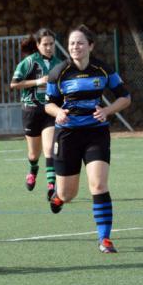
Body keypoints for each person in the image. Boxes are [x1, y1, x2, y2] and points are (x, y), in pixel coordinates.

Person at [45, 25, 131, 253]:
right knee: (68, 194)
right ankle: (58, 197)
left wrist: (108, 110)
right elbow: (48, 104)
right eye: (72, 43)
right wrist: (59, 112)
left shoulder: (103, 70)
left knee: (99, 184)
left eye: (80, 42)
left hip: (96, 133)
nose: (75, 47)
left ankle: (104, 239)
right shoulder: (59, 72)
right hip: (67, 135)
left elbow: (125, 97)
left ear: (90, 46)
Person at [10, 28, 61, 200]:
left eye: (51, 44)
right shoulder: (29, 62)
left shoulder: (59, 64)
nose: (48, 47)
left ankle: (51, 186)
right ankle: (33, 169)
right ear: (38, 45)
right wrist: (38, 81)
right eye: (45, 44)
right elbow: (14, 84)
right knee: (34, 154)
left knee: (49, 149)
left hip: (49, 110)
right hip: (31, 111)